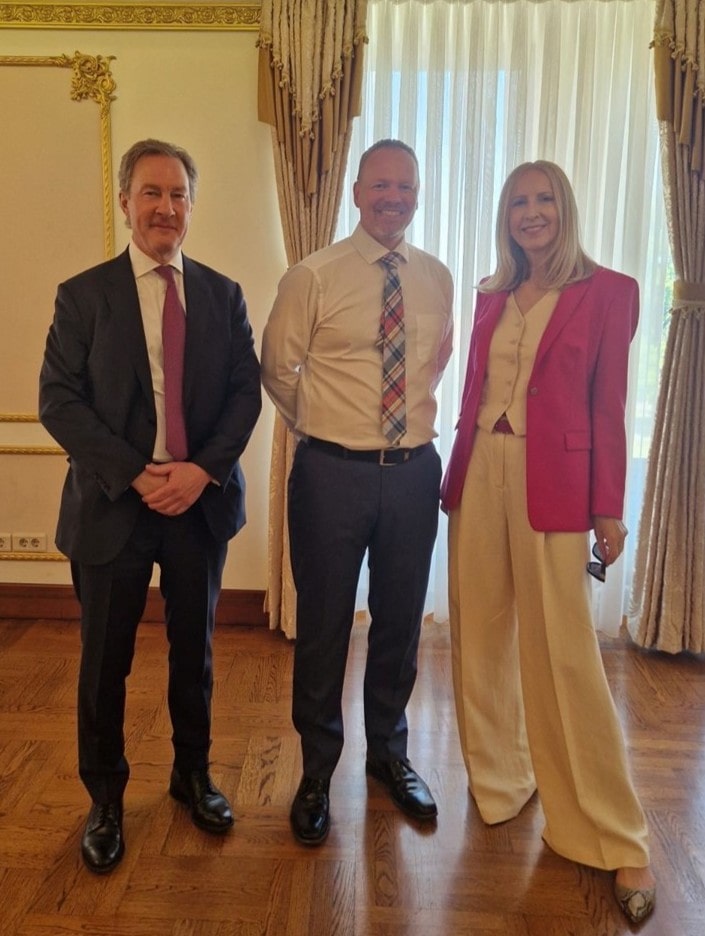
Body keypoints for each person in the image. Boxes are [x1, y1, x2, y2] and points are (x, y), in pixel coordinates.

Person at [440, 160, 656, 924]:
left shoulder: (610, 292)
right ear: (505, 217)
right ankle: (502, 780)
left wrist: (608, 509)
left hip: (556, 483)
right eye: (517, 203)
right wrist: (455, 474)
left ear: (563, 209)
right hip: (480, 473)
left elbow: (607, 407)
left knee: (563, 654)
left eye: (542, 200)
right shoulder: (490, 293)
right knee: (479, 635)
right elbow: (474, 391)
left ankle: (613, 831)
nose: (530, 213)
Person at [39, 138, 262, 873]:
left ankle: (192, 775)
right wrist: (139, 474)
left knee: (195, 653)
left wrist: (200, 472)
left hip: (198, 505)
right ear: (126, 201)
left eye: (178, 194)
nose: (166, 207)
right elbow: (59, 402)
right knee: (105, 662)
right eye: (151, 192)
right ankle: (104, 798)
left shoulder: (223, 296)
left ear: (192, 206)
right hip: (114, 507)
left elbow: (244, 395)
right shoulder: (83, 295)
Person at [261, 139, 453, 845]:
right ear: (356, 192)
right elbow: (277, 370)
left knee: (400, 624)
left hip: (413, 474)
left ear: (417, 194)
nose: (393, 198)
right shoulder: (311, 276)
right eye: (380, 185)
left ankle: (388, 757)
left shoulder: (436, 277)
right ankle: (316, 772)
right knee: (324, 626)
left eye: (405, 186)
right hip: (330, 475)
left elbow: (435, 363)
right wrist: (327, 429)